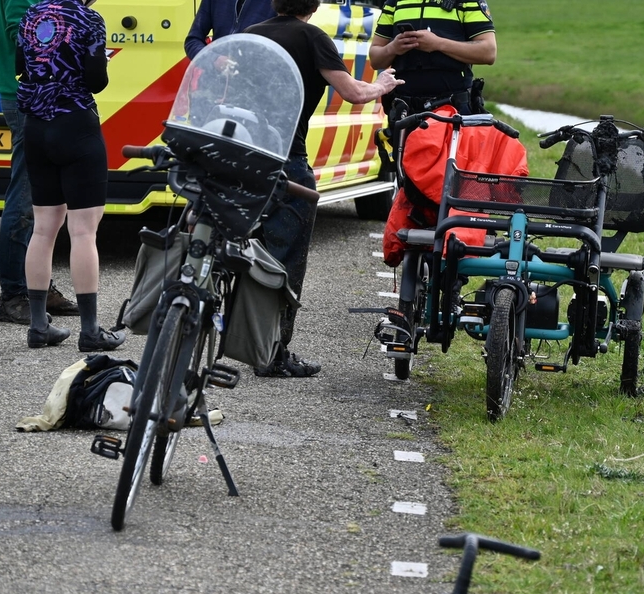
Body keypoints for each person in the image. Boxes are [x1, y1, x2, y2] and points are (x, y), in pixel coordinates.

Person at [244, 0, 402, 377]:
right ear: (313, 5)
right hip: (287, 159)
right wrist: (381, 84)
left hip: (246, 156)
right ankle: (274, 353)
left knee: (246, 251)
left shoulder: (251, 34)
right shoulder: (312, 37)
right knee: (286, 258)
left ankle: (230, 336)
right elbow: (353, 93)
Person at [15, 0, 126, 352]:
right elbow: (97, 81)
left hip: (35, 127)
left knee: (44, 228)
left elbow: (21, 66)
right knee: (82, 230)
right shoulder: (88, 18)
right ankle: (91, 331)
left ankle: (38, 326)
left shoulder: (32, 16)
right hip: (75, 124)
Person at [0, 0, 80, 324]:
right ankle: (14, 295)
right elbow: (21, 35)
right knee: (27, 197)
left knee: (46, 198)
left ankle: (37, 285)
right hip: (26, 95)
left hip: (43, 94)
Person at [369, 0, 496, 116]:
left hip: (452, 110)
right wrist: (392, 48)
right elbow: (375, 59)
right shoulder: (394, 3)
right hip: (405, 111)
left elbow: (489, 52)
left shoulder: (468, 2)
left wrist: (438, 44)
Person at [184, 0, 276, 60]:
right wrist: (214, 60)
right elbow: (192, 41)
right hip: (215, 83)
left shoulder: (277, 3)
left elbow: (283, 50)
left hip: (254, 84)